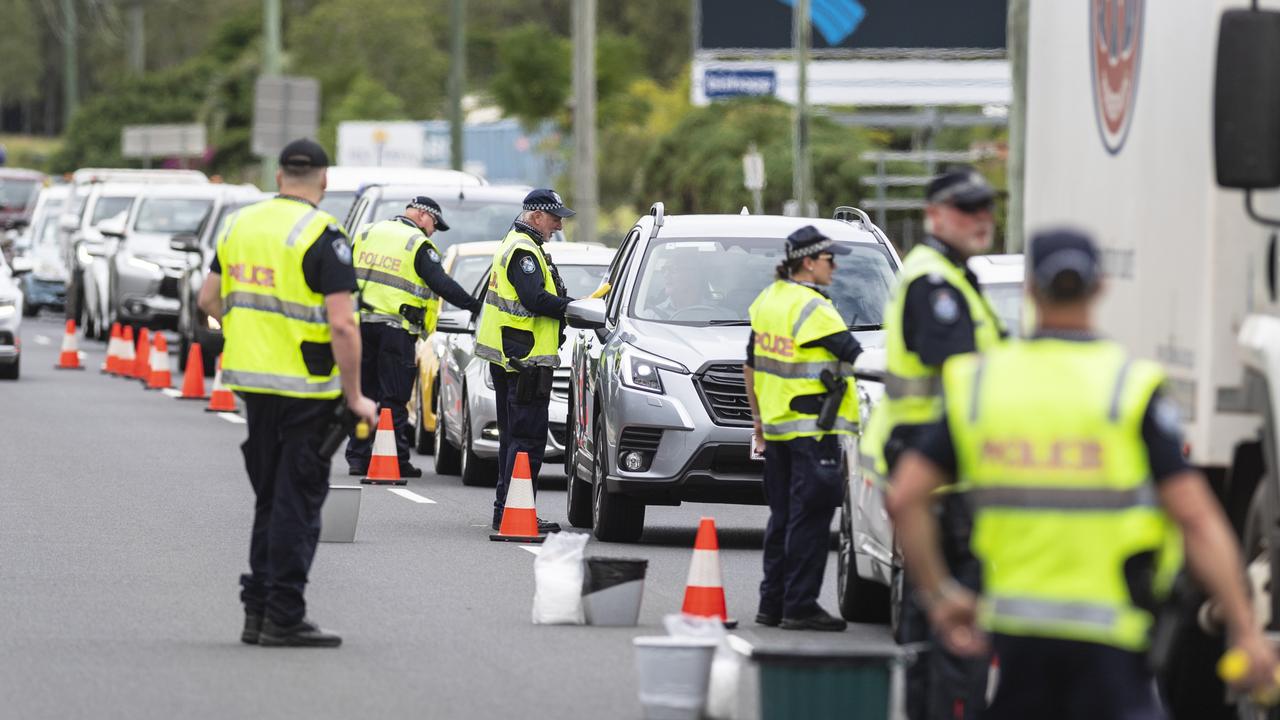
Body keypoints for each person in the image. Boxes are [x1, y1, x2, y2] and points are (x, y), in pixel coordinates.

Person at [888, 228, 1280, 718]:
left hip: (1017, 636)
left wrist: (942, 595)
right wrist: (1245, 628)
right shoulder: (1127, 389)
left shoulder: (982, 385)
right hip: (1112, 641)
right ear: (1100, 288)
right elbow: (1197, 519)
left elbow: (905, 497)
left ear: (1030, 288)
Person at [197, 138, 377, 648]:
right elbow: (343, 326)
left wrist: (242, 336)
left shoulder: (240, 225)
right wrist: (357, 395)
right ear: (323, 181)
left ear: (279, 178)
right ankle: (283, 614)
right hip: (307, 391)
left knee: (270, 500)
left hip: (253, 386)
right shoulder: (325, 235)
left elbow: (207, 300)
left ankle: (257, 613)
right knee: (296, 505)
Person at [859, 167, 1006, 718]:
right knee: (956, 626)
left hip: (934, 462)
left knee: (927, 618)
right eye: (966, 209)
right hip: (942, 469)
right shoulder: (935, 282)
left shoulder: (949, 274)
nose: (981, 219)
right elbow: (963, 373)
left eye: (986, 208)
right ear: (935, 215)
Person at [743, 225, 863, 632]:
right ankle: (800, 606)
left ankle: (771, 604)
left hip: (777, 431)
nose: (836, 266)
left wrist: (758, 422)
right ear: (809, 262)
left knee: (782, 518)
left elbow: (751, 366)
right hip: (813, 432)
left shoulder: (768, 300)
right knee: (810, 521)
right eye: (831, 259)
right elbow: (856, 357)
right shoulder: (814, 308)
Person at [344, 196, 481, 478]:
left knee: (364, 393)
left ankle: (357, 457)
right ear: (421, 215)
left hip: (360, 326)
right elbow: (441, 283)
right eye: (433, 224)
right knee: (393, 397)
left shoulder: (367, 233)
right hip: (395, 329)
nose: (433, 231)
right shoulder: (416, 243)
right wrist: (474, 306)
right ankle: (396, 458)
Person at [474, 189, 576, 532]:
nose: (558, 224)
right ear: (535, 216)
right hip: (525, 361)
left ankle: (507, 511)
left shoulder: (518, 243)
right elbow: (534, 298)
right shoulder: (522, 250)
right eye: (554, 217)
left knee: (514, 438)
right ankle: (517, 513)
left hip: (513, 357)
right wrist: (573, 306)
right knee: (527, 440)